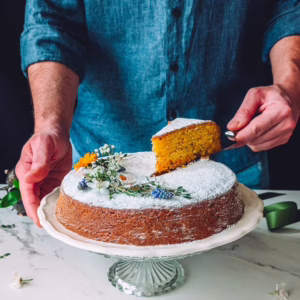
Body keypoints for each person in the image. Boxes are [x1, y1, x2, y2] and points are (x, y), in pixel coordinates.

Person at [16, 1, 300, 227]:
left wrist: (289, 84)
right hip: (100, 174)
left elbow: (289, 9)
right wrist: (50, 126)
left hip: (234, 161)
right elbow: (51, 22)